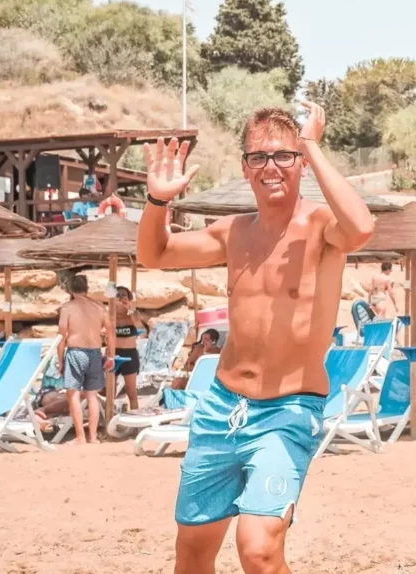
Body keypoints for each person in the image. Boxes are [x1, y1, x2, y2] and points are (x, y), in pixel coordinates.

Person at [137, 101, 374, 574]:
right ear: (245, 168)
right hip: (221, 407)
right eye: (259, 157)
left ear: (301, 163)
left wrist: (311, 143)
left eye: (284, 155)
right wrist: (158, 201)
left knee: (259, 551)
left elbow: (362, 227)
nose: (271, 167)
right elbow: (155, 253)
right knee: (192, 554)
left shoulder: (321, 227)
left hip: (289, 409)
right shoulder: (234, 232)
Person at [57, 274, 114, 445]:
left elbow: (61, 336)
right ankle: (93, 437)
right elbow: (111, 332)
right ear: (86, 289)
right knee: (92, 396)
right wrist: (111, 355)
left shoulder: (67, 307)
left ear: (70, 290)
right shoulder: (99, 307)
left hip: (76, 352)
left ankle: (81, 437)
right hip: (95, 352)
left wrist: (60, 361)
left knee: (73, 394)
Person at [113, 286, 145, 410]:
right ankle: (110, 415)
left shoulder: (133, 315)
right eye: (118, 295)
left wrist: (131, 310)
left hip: (129, 353)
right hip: (114, 353)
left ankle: (135, 416)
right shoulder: (110, 316)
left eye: (124, 295)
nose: (121, 298)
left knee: (131, 392)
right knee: (110, 392)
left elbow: (142, 331)